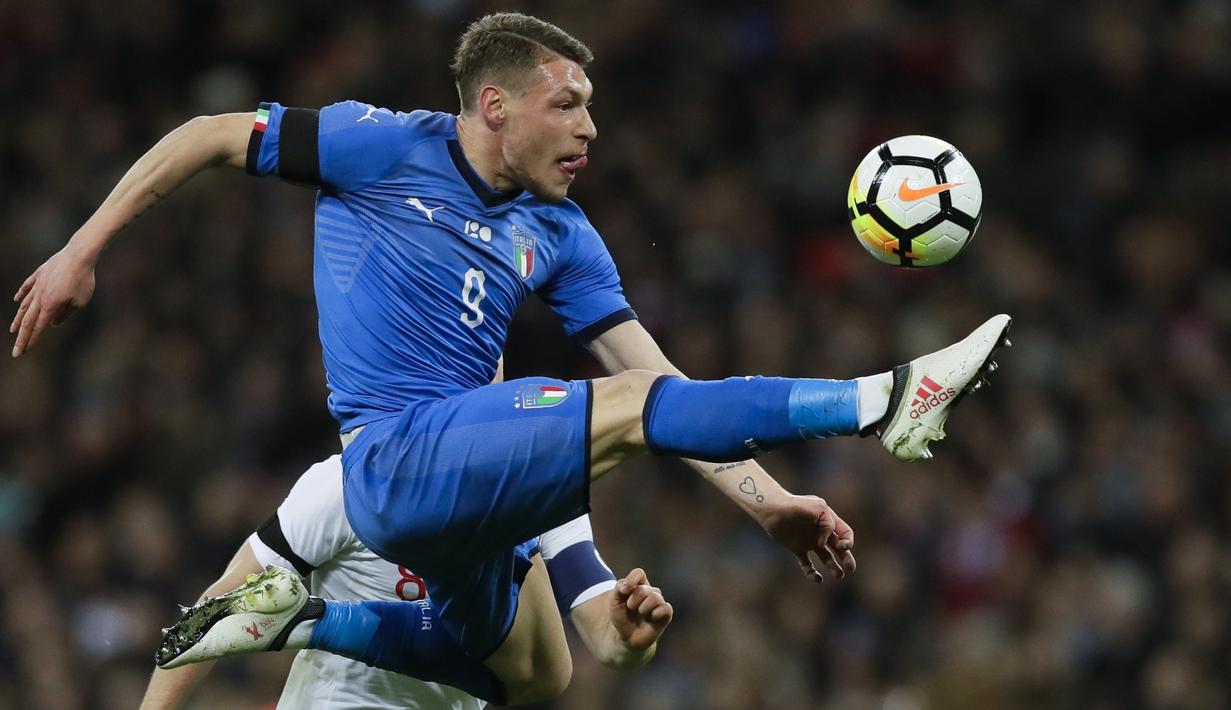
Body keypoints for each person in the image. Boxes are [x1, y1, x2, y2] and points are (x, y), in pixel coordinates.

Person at [10, 11, 1009, 706]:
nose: (590, 128)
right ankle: (884, 400)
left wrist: (769, 503)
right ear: (495, 105)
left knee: (539, 673)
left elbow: (661, 378)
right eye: (566, 104)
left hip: (466, 495)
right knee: (616, 404)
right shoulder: (379, 145)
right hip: (391, 458)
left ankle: (301, 620)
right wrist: (78, 250)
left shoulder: (562, 233)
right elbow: (208, 134)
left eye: (590, 107)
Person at [140, 455, 671, 709]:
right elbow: (220, 607)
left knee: (550, 674)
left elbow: (608, 640)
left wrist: (631, 638)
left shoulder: (541, 480)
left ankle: (320, 623)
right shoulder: (346, 484)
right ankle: (322, 625)